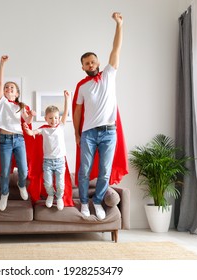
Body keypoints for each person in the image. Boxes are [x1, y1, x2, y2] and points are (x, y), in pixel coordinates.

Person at [73, 12, 124, 220]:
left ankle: (97, 202)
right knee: (84, 170)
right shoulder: (82, 87)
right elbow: (77, 112)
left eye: (93, 62)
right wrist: (76, 134)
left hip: (109, 132)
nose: (91, 65)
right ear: (83, 67)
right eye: (87, 63)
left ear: (98, 63)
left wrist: (119, 25)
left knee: (104, 171)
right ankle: (84, 202)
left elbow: (116, 48)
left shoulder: (109, 75)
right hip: (88, 134)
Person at [0, 55, 35, 211]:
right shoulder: (3, 102)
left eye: (12, 88)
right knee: (5, 171)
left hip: (19, 140)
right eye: (6, 88)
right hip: (4, 140)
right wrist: (2, 65)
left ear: (17, 93)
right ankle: (4, 194)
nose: (8, 89)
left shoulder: (21, 106)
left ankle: (21, 184)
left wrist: (32, 114)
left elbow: (28, 120)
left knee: (23, 169)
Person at [24, 91, 70, 210]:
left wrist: (67, 99)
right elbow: (32, 132)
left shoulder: (60, 127)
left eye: (55, 118)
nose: (53, 120)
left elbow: (65, 112)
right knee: (48, 183)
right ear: (46, 119)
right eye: (50, 118)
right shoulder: (44, 130)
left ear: (58, 119)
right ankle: (50, 195)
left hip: (60, 161)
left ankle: (59, 197)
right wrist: (27, 130)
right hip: (48, 162)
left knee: (60, 184)